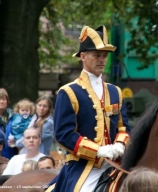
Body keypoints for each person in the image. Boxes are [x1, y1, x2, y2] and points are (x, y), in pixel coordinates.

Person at [50, 25, 130, 192]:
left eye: (104, 55)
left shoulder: (115, 91)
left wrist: (120, 145)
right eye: (97, 55)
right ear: (83, 56)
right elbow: (64, 134)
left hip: (117, 163)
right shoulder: (69, 91)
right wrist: (99, 150)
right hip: (84, 166)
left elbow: (123, 128)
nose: (102, 59)